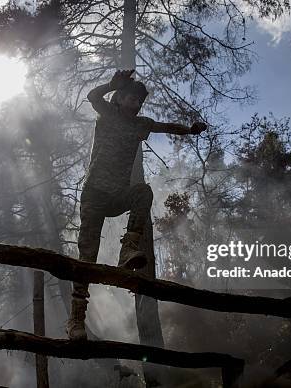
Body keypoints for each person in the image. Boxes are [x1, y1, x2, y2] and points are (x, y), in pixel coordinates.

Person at [67, 69, 208, 340]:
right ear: (119, 99)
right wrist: (111, 84)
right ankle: (76, 320)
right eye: (131, 98)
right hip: (94, 195)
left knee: (143, 192)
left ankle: (128, 248)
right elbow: (92, 96)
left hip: (117, 195)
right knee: (87, 255)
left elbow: (165, 127)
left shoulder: (140, 125)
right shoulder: (107, 113)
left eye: (139, 101)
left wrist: (190, 130)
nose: (136, 103)